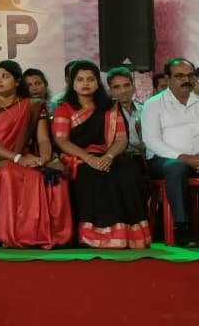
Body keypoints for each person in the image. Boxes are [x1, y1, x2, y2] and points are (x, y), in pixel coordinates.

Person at [0, 60, 72, 249]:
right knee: (9, 173)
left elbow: (43, 140)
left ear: (17, 81)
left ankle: (49, 235)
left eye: (5, 76)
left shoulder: (33, 105)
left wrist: (44, 158)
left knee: (54, 175)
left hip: (24, 157)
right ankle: (11, 234)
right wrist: (18, 158)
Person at [52, 61, 149, 249]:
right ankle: (91, 236)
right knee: (90, 174)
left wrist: (108, 157)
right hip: (77, 157)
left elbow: (121, 139)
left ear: (98, 83)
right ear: (72, 83)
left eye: (90, 79)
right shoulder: (64, 108)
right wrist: (89, 158)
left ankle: (125, 234)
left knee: (126, 169)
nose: (85, 83)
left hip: (107, 155)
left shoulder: (110, 107)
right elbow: (62, 141)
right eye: (80, 79)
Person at [141, 58, 199, 243]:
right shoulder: (154, 104)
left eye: (190, 75)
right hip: (163, 160)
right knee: (176, 167)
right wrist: (183, 157)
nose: (186, 80)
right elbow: (151, 141)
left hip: (196, 160)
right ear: (168, 79)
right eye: (180, 76)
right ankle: (182, 227)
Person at [105, 67, 146, 163]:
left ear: (133, 88)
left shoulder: (145, 110)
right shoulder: (107, 114)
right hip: (119, 159)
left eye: (127, 85)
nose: (123, 91)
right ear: (110, 91)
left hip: (144, 157)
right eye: (117, 87)